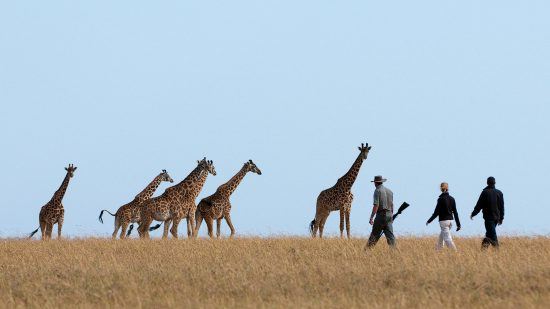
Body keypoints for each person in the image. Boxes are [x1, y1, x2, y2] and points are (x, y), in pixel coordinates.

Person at [470, 176, 504, 249]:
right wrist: (501, 218)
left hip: (489, 218)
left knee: (493, 236)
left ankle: (497, 251)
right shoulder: (499, 193)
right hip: (496, 218)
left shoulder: (485, 192)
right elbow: (502, 207)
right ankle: (483, 251)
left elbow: (479, 205)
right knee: (489, 234)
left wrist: (473, 213)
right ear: (495, 183)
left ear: (487, 183)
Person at [426, 182, 461, 250]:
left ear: (440, 188)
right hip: (451, 221)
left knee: (447, 239)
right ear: (447, 188)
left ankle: (455, 253)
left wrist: (429, 221)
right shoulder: (452, 199)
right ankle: (438, 252)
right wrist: (458, 224)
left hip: (444, 222)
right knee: (441, 238)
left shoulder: (440, 199)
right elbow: (455, 212)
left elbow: (436, 212)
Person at [367, 175, 396, 248]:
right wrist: (391, 216)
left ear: (375, 183)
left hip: (381, 216)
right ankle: (394, 253)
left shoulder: (377, 191)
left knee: (374, 236)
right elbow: (392, 205)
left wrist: (371, 217)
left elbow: (376, 205)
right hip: (389, 215)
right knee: (391, 237)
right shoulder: (390, 191)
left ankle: (366, 253)